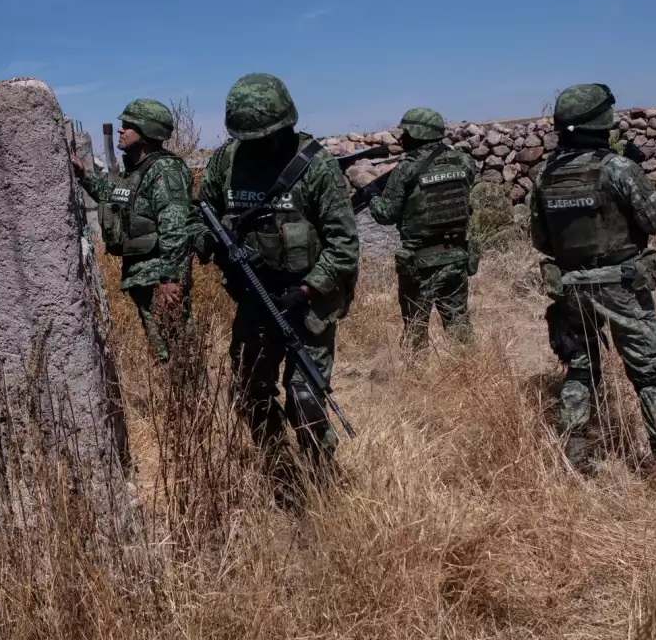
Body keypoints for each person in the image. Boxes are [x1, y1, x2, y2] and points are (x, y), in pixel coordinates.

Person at [194, 72, 359, 501]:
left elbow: (344, 246)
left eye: (267, 136)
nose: (259, 146)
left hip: (307, 301)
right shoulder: (226, 161)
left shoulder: (315, 165)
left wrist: (306, 291)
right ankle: (282, 477)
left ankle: (321, 487)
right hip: (255, 298)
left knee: (305, 398)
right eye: (250, 137)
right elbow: (203, 213)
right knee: (251, 392)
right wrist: (211, 243)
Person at [529, 83, 656, 481]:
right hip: (623, 285)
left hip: (571, 288)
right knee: (647, 375)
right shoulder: (618, 169)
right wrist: (636, 170)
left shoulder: (545, 176)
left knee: (580, 372)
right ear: (602, 123)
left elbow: (540, 240)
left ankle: (576, 460)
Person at [71, 98, 193, 364]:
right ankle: (176, 397)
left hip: (160, 277)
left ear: (147, 131)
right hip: (144, 277)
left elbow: (174, 225)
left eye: (128, 125)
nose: (120, 130)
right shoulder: (137, 171)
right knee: (164, 348)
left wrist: (170, 278)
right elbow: (115, 195)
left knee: (175, 350)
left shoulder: (164, 170)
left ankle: (187, 399)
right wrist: (84, 175)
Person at [361, 107, 477, 349]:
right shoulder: (464, 161)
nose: (401, 138)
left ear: (417, 133)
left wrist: (371, 194)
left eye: (405, 132)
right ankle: (470, 373)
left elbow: (385, 214)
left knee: (415, 329)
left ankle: (417, 381)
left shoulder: (407, 169)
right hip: (457, 256)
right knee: (459, 325)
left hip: (420, 263)